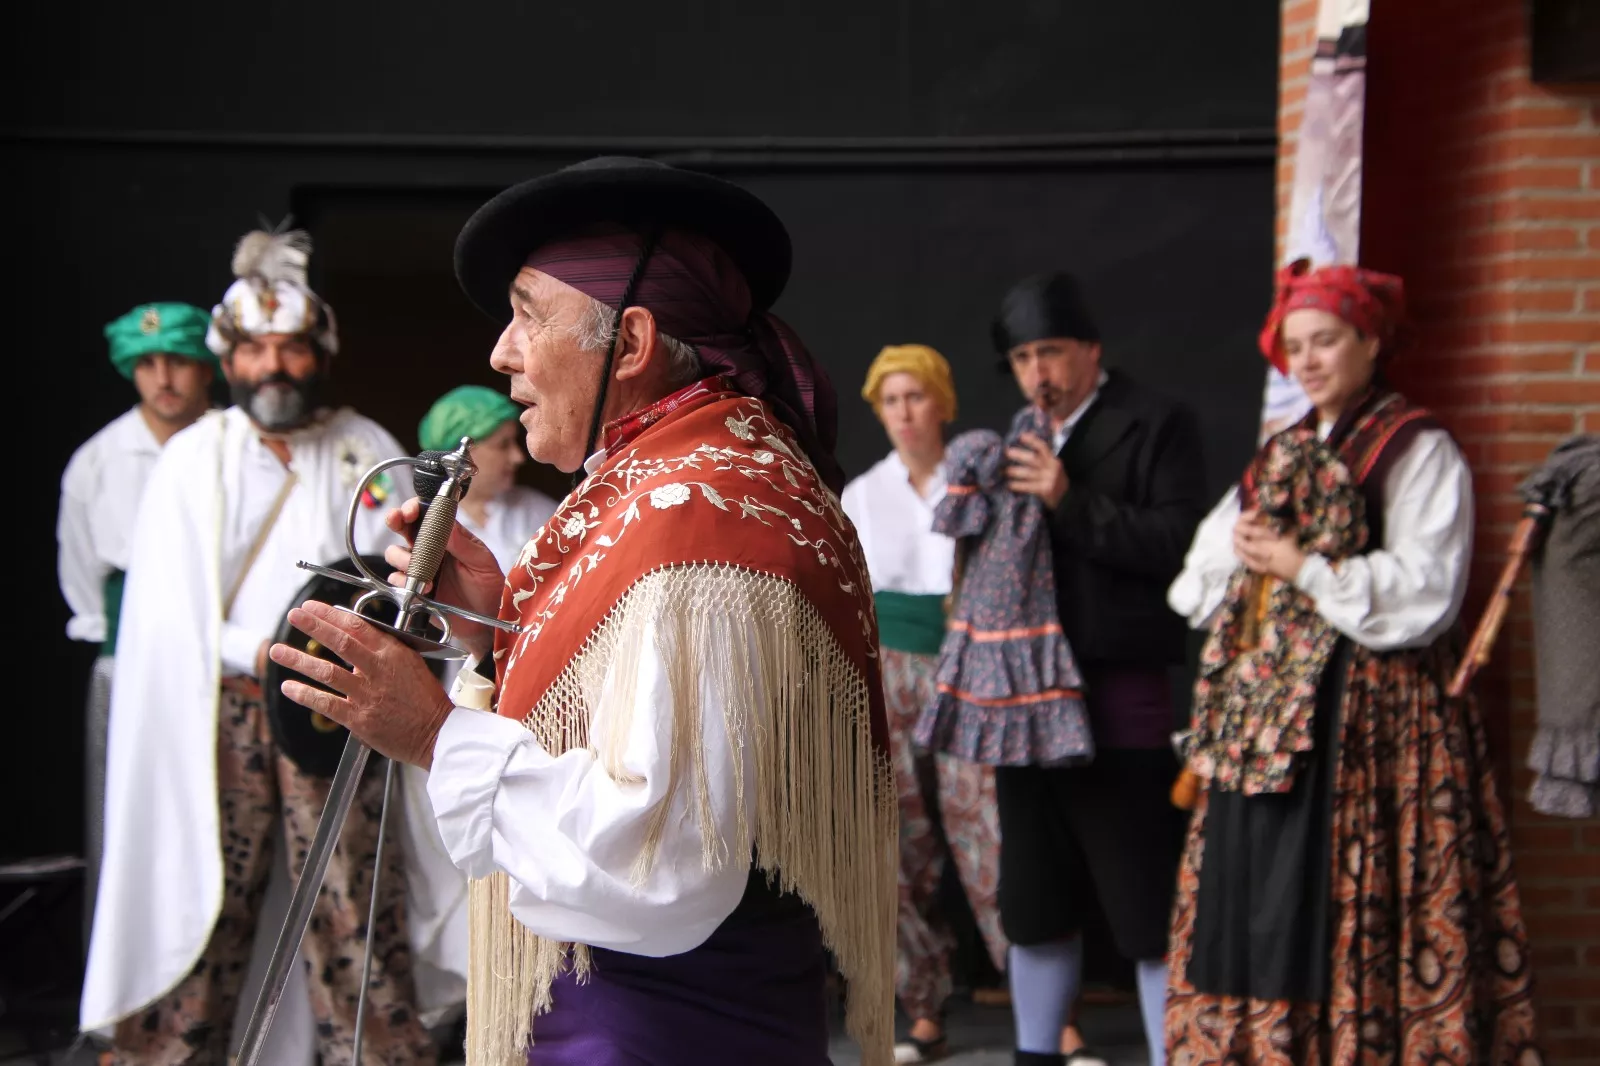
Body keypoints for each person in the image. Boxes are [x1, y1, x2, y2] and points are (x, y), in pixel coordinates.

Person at [266, 157, 897, 1066]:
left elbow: (661, 859)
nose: (500, 353)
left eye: (527, 314)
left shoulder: (699, 514)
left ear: (631, 344)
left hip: (661, 1034)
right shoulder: (688, 471)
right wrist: (497, 623)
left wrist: (439, 735)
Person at [1164, 259, 1540, 1064]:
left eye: (1325, 340)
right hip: (1268, 723)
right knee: (1256, 893)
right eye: (1293, 345)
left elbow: (1427, 593)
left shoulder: (1416, 446)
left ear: (1370, 343)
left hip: (1376, 716)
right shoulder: (1281, 451)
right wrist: (1243, 558)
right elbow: (1192, 585)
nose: (1306, 361)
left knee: (1352, 889)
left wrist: (1305, 569)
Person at [80, 227, 436, 1066]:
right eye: (256, 349)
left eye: (291, 348)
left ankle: (377, 1054)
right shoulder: (193, 460)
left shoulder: (369, 449)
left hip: (336, 712)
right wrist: (267, 646)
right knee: (206, 895)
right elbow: (170, 613)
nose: (275, 365)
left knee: (351, 901)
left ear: (320, 352)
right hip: (221, 715)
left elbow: (401, 581)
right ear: (229, 359)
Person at [992, 272, 1206, 1066]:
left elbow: (1179, 546)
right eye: (1021, 358)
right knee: (1034, 908)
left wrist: (1067, 498)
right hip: (1024, 711)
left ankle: (1169, 1058)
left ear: (1090, 350)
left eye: (1050, 352)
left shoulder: (1158, 423)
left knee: (1148, 911)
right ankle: (1034, 1057)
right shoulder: (1018, 434)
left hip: (1119, 703)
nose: (1037, 374)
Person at [840, 344, 1008, 1064]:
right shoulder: (865, 492)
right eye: (891, 400)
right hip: (891, 671)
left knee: (991, 835)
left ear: (943, 402)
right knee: (901, 842)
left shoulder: (977, 482)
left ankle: (1042, 1003)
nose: (905, 413)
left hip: (972, 666)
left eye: (917, 396)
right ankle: (923, 1008)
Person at [57, 302, 218, 934]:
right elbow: (84, 585)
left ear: (207, 367)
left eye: (178, 360)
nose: (164, 378)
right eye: (148, 364)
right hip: (134, 665)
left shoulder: (231, 447)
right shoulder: (97, 462)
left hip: (229, 667)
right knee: (129, 821)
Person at [402, 384, 559, 1025]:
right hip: (433, 716)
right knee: (442, 861)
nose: (515, 456)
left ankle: (519, 999)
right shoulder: (422, 516)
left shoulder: (551, 515)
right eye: (501, 446)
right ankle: (458, 1005)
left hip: (520, 712)